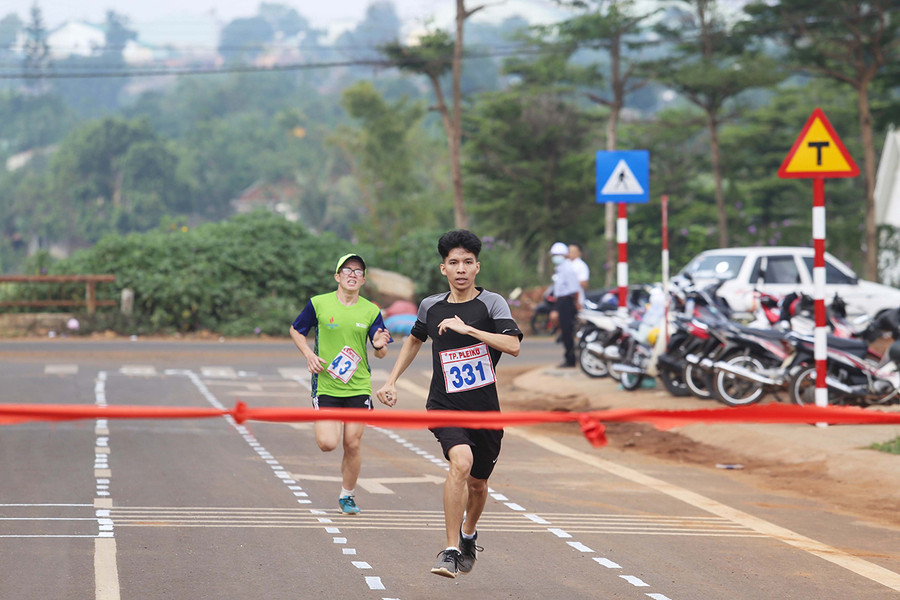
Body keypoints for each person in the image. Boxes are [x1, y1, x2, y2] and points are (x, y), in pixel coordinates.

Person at [375, 230, 522, 579]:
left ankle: (469, 534)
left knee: (479, 484)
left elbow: (513, 346)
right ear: (443, 268)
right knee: (461, 462)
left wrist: (469, 330)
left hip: (485, 409)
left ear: (477, 267)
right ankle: (451, 550)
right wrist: (391, 380)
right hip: (444, 406)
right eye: (454, 263)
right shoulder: (431, 306)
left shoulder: (493, 304)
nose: (461, 269)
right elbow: (414, 339)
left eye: (467, 263)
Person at [289, 253, 392, 515]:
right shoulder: (319, 304)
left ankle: (347, 495)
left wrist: (380, 346)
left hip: (358, 385)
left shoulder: (370, 310)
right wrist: (309, 356)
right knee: (327, 443)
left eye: (358, 271)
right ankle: (324, 420)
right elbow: (296, 330)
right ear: (337, 276)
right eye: (347, 270)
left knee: (353, 443)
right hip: (326, 385)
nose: (352, 274)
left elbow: (380, 350)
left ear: (363, 280)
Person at [549, 242, 581, 368]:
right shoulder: (560, 268)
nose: (555, 257)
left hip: (567, 301)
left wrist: (576, 304)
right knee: (564, 330)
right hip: (561, 301)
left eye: (557, 254)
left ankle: (571, 359)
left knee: (567, 331)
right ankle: (569, 356)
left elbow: (575, 289)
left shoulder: (568, 268)